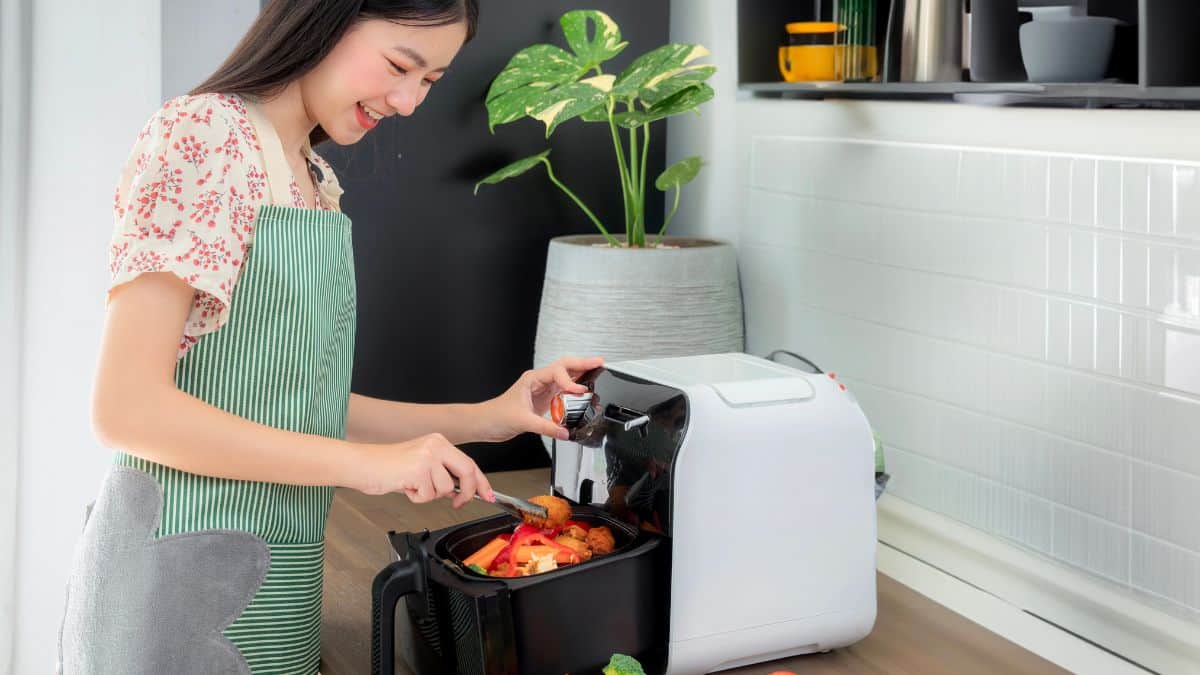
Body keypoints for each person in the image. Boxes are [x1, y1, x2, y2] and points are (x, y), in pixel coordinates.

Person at [57, 1, 602, 672]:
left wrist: (488, 418)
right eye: (399, 65)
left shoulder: (313, 179)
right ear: (326, 17)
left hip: (280, 590)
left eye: (429, 82)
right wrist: (369, 467)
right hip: (174, 585)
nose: (407, 102)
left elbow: (299, 406)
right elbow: (126, 409)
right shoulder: (203, 135)